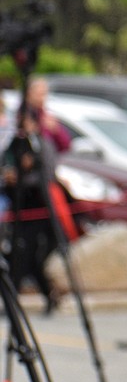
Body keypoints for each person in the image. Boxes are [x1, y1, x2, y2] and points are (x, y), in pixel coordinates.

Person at [2, 109, 61, 315]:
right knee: (19, 254)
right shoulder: (14, 144)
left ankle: (15, 301)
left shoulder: (41, 145)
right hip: (18, 206)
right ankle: (20, 299)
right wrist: (8, 178)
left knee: (27, 254)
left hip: (38, 209)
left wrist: (24, 176)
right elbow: (5, 165)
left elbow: (48, 176)